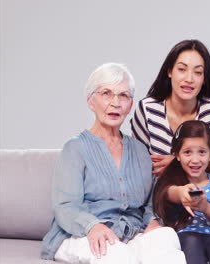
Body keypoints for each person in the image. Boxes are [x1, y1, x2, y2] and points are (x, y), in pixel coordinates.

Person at [40, 63, 186, 263]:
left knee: (166, 236)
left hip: (129, 235)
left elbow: (151, 201)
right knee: (116, 254)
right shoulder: (74, 149)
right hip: (81, 235)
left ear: (130, 104)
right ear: (91, 101)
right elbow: (65, 206)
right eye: (106, 93)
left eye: (123, 95)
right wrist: (92, 226)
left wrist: (152, 220)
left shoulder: (140, 151)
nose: (116, 102)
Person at [131, 40, 210, 173]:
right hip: (156, 192)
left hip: (202, 192)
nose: (189, 79)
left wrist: (176, 164)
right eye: (182, 69)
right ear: (170, 71)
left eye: (198, 72)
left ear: (204, 78)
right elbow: (138, 166)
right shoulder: (147, 109)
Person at [152, 120, 210, 264]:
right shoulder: (174, 182)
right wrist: (181, 193)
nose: (195, 160)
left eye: (202, 152)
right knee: (191, 241)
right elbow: (168, 192)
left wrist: (206, 208)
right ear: (177, 155)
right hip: (186, 236)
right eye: (187, 152)